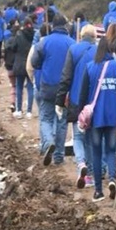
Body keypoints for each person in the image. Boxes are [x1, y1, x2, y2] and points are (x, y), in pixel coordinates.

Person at [78, 37, 116, 202]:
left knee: (96, 153)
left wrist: (80, 114)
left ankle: (98, 190)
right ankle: (112, 179)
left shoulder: (90, 68)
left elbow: (83, 94)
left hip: (95, 118)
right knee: (111, 151)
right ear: (111, 50)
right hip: (113, 117)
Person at [55, 24, 98, 188]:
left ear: (81, 35)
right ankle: (92, 175)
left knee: (78, 137)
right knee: (91, 139)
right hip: (94, 101)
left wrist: (59, 101)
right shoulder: (99, 52)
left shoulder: (73, 50)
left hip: (75, 100)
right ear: (94, 36)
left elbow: (66, 77)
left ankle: (81, 164)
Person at [30, 14, 75, 166]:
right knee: (62, 122)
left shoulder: (44, 42)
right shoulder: (72, 43)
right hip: (65, 89)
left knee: (45, 118)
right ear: (65, 26)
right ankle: (59, 156)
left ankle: (48, 141)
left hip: (47, 86)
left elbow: (34, 62)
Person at [10, 18, 35, 119]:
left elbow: (13, 47)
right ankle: (29, 111)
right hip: (31, 64)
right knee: (30, 88)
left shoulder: (19, 35)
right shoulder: (34, 35)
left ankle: (19, 110)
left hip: (19, 64)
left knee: (19, 87)